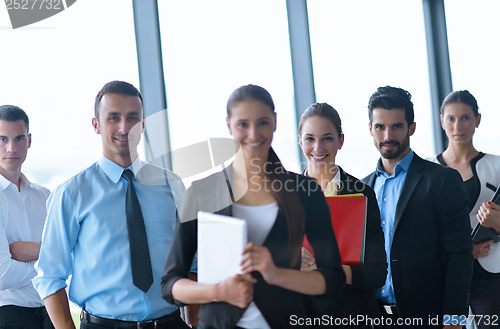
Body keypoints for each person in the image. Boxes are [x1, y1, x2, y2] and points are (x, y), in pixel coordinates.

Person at [161, 84, 346, 329]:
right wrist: (218, 291)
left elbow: (333, 280)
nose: (253, 134)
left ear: (275, 122)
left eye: (262, 123)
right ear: (229, 125)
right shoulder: (201, 193)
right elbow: (170, 285)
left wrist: (277, 274)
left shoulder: (305, 191)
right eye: (243, 124)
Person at [33, 81, 191, 329]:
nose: (124, 127)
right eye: (113, 118)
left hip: (171, 323)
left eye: (132, 118)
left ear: (144, 123)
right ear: (96, 125)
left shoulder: (172, 185)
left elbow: (192, 260)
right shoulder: (71, 194)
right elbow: (50, 276)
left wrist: (195, 322)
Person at [362, 86, 473, 329]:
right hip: (373, 318)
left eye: (397, 126)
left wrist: (454, 318)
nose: (387, 135)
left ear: (411, 127)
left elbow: (460, 255)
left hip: (429, 318)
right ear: (370, 128)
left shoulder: (442, 180)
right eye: (380, 126)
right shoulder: (361, 189)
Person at [298, 102, 387, 325]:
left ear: (340, 141)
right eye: (310, 139)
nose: (317, 148)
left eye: (327, 138)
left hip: (353, 314)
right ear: (300, 141)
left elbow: (377, 272)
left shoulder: (362, 194)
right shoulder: (284, 196)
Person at [430, 90, 500, 329]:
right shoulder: (427, 171)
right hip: (445, 276)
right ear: (441, 121)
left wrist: (497, 224)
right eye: (451, 118)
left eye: (465, 118)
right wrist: (462, 251)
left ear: (477, 120)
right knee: (451, 326)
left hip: (490, 275)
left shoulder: (498, 165)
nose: (457, 126)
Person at [0, 105, 54, 328]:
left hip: (50, 310)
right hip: (9, 316)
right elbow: (3, 275)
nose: (11, 148)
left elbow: (73, 255)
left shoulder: (45, 196)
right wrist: (50, 259)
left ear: (29, 140)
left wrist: (37, 251)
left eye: (19, 138)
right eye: (2, 139)